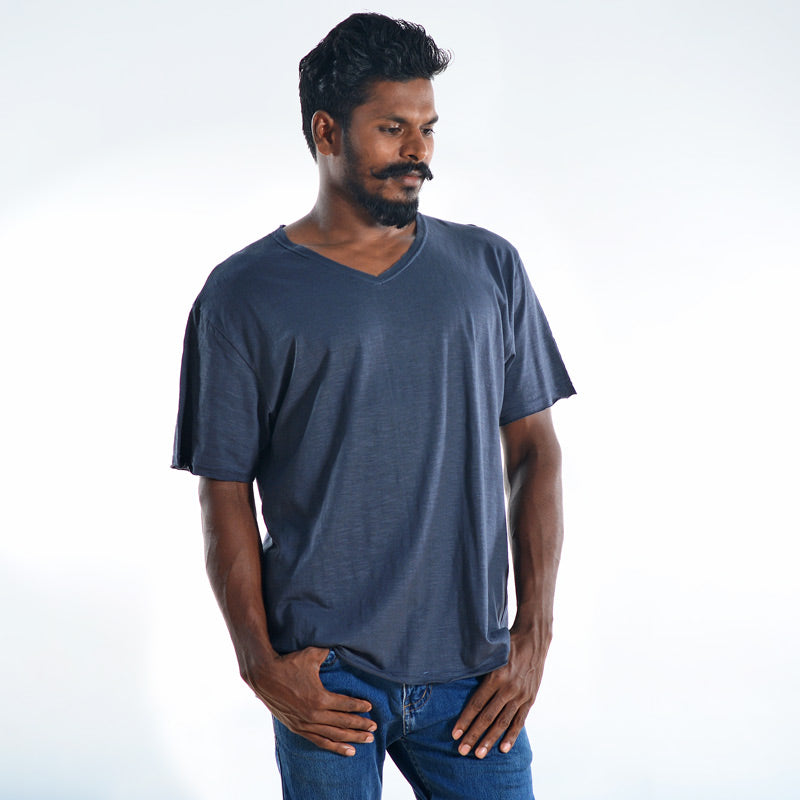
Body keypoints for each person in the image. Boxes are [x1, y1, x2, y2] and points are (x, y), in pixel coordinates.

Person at [172, 12, 575, 799]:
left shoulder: (489, 268)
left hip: (473, 676)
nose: (418, 150)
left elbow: (534, 452)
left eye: (428, 127)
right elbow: (223, 487)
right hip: (325, 678)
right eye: (393, 128)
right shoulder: (243, 295)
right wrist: (258, 663)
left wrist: (533, 636)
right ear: (327, 130)